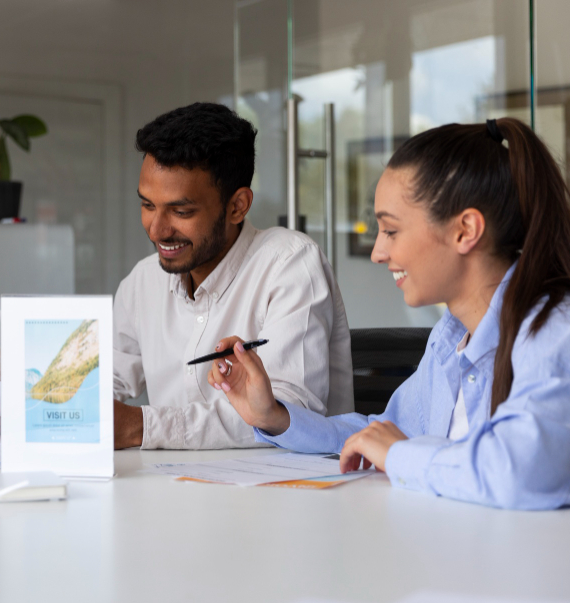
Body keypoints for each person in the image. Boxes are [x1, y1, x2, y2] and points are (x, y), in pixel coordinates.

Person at [210, 117, 570, 510]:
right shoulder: (451, 337)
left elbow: (517, 471)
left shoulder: (554, 332)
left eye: (392, 231)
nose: (378, 252)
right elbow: (383, 433)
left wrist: (398, 455)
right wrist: (274, 416)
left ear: (465, 230)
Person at [113, 102, 353, 450]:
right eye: (148, 205)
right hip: (172, 488)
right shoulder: (142, 281)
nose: (157, 230)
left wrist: (142, 426)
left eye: (181, 211)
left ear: (237, 206)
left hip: (288, 493)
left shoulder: (290, 263)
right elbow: (105, 382)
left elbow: (288, 410)